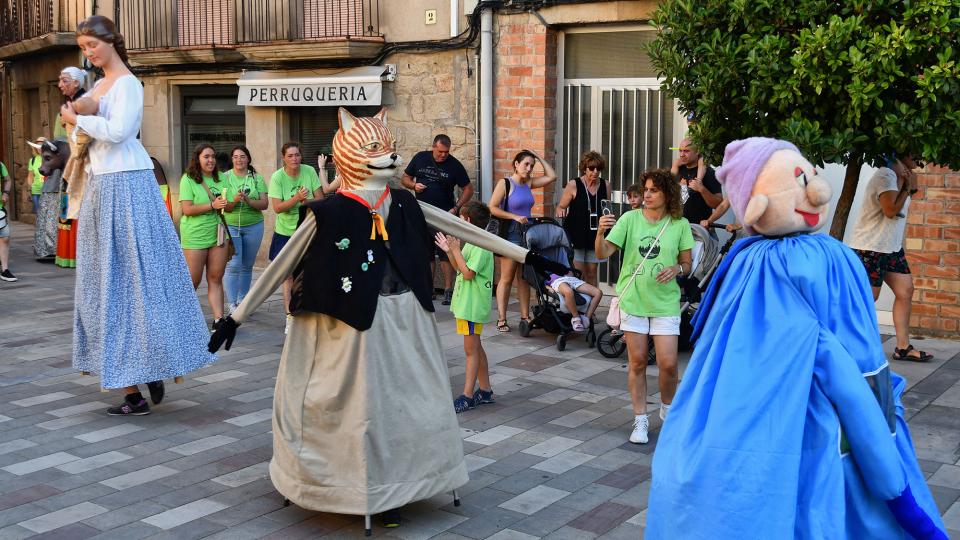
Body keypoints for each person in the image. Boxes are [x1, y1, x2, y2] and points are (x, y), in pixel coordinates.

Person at [646, 137, 946, 540]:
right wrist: (895, 486)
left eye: (810, 176)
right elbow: (842, 364)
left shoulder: (743, 261)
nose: (818, 190)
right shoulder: (818, 259)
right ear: (758, 205)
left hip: (743, 414)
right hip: (825, 420)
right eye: (799, 180)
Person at [61, 15, 215, 415]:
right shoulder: (100, 85)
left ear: (111, 41)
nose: (89, 52)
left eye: (93, 45)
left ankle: (153, 363)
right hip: (102, 185)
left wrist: (80, 119)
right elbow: (89, 135)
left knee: (140, 281)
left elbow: (121, 131)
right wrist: (80, 115)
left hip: (128, 183)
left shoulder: (128, 82)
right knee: (106, 285)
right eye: (84, 46)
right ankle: (133, 383)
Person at [595, 169, 693, 444]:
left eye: (653, 190)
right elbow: (603, 254)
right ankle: (640, 419)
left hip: (665, 303)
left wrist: (676, 268)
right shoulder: (629, 219)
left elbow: (687, 264)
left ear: (667, 195)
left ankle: (667, 408)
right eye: (645, 189)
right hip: (634, 300)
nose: (646, 195)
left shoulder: (680, 224)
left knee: (669, 364)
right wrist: (602, 230)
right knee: (637, 362)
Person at [848, 154, 932, 362]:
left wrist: (907, 184)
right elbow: (890, 211)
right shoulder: (885, 176)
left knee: (905, 291)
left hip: (891, 248)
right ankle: (850, 345)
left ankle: (903, 348)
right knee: (868, 298)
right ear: (903, 155)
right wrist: (906, 188)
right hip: (870, 248)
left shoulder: (901, 177)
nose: (920, 159)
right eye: (916, 155)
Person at [434, 201, 495, 413]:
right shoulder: (472, 241)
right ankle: (485, 391)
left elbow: (468, 273)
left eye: (461, 217)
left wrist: (456, 249)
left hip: (472, 306)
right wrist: (450, 251)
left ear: (468, 220)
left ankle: (468, 395)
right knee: (476, 347)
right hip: (467, 304)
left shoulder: (480, 244)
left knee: (470, 351)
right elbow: (459, 267)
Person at [401, 134, 474, 305]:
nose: (443, 155)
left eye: (446, 152)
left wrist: (456, 208)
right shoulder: (420, 158)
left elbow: (468, 189)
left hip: (444, 215)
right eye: (440, 151)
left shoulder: (454, 165)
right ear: (433, 147)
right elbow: (405, 178)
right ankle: (429, 288)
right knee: (426, 253)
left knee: (445, 253)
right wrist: (414, 185)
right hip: (422, 214)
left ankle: (448, 290)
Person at [489, 150, 557, 332]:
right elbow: (492, 207)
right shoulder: (505, 183)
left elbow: (552, 176)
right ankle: (502, 318)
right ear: (516, 164)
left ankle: (525, 316)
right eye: (526, 164)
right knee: (507, 277)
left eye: (532, 166)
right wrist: (514, 216)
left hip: (527, 234)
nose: (529, 168)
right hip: (511, 233)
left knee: (525, 277)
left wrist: (538, 156)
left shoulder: (529, 183)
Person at [267, 141, 323, 330]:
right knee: (287, 275)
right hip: (285, 231)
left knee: (309, 272)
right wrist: (297, 199)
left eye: (297, 155)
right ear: (283, 158)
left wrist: (305, 200)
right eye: (290, 156)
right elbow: (277, 208)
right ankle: (289, 316)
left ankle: (308, 312)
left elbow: (321, 199)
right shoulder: (277, 177)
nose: (294, 159)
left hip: (306, 229)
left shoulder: (309, 171)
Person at [179, 143, 233, 326]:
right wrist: (212, 205)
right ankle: (183, 318)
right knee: (193, 281)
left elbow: (230, 205)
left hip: (218, 234)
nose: (211, 160)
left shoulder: (221, 178)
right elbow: (186, 209)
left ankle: (218, 319)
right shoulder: (188, 179)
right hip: (195, 236)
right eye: (206, 157)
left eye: (213, 157)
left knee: (216, 277)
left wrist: (229, 203)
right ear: (198, 159)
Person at [222, 145, 268, 313]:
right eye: (235, 157)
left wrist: (249, 201)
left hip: (254, 225)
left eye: (242, 156)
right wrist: (234, 200)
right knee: (234, 264)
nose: (239, 160)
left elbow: (264, 204)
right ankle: (232, 303)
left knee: (247, 265)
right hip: (231, 225)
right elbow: (225, 207)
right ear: (231, 159)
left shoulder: (256, 178)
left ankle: (243, 300)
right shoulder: (224, 178)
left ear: (248, 159)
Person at [556, 151, 609, 287]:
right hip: (576, 234)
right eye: (591, 168)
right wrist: (560, 212)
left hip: (595, 235)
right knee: (577, 271)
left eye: (598, 169)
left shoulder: (605, 185)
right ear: (584, 169)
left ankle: (591, 305)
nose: (595, 172)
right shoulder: (574, 184)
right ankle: (579, 304)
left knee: (592, 272)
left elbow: (606, 208)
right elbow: (561, 206)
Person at [673, 138, 722, 225]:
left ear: (697, 152)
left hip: (699, 230)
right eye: (680, 151)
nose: (681, 155)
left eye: (686, 151)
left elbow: (718, 204)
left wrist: (702, 189)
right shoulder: (677, 170)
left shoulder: (708, 173)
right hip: (677, 228)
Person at [54, 67, 87, 139]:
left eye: (64, 81)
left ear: (76, 83)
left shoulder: (84, 101)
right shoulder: (71, 102)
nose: (60, 85)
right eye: (60, 81)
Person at [0, 160, 15, 282]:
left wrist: (5, 193)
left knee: (5, 237)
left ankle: (5, 270)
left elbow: (8, 180)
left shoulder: (0, 165)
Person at [28, 142, 44, 213]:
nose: (39, 148)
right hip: (36, 191)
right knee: (38, 213)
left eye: (41, 145)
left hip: (48, 191)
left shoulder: (50, 157)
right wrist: (30, 188)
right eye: (37, 146)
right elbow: (30, 176)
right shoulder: (32, 160)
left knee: (47, 214)